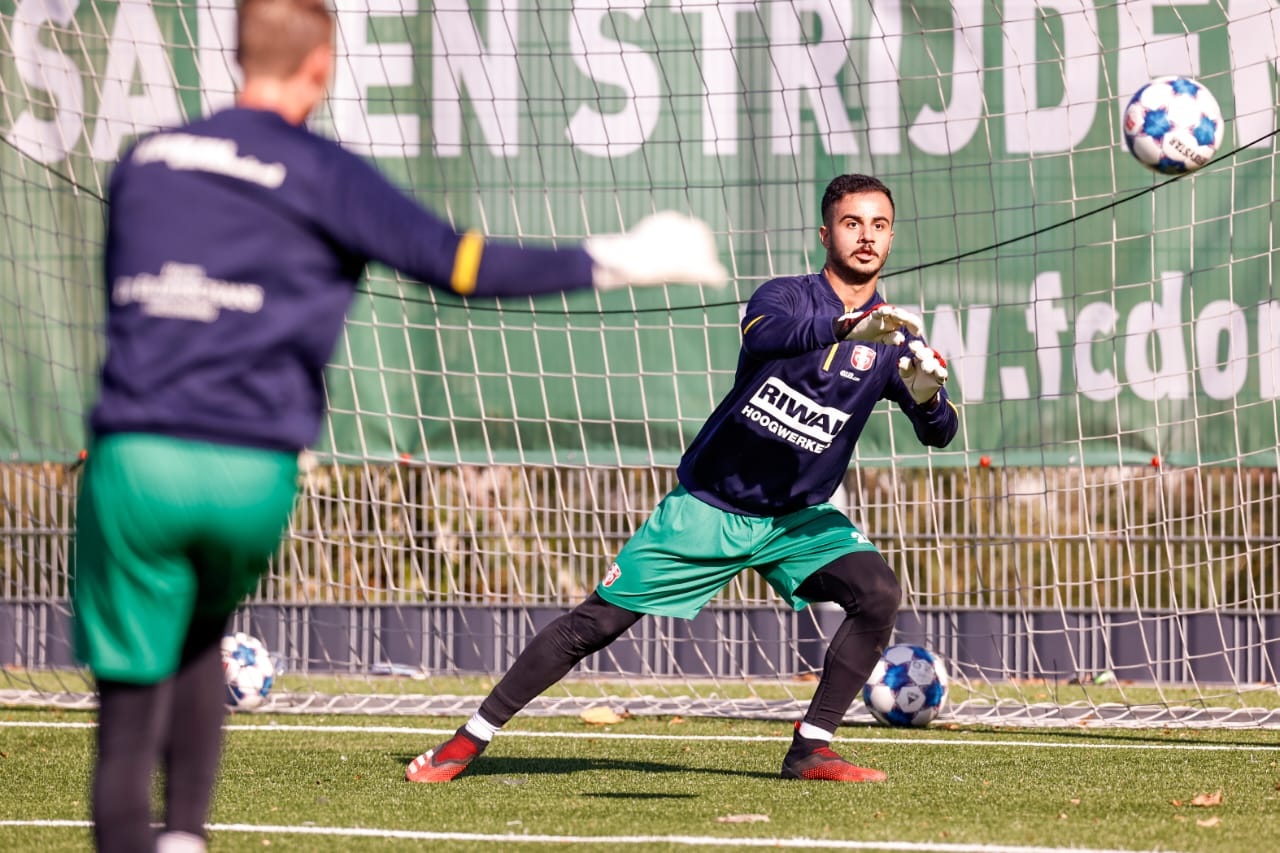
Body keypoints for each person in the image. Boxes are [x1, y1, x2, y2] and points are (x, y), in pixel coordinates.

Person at [70, 0, 726, 849]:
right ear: (321, 65)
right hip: (250, 473)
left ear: (237, 54)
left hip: (138, 457)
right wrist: (613, 259)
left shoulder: (144, 160)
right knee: (202, 640)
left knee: (128, 707)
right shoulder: (322, 171)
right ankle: (187, 835)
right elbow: (461, 265)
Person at [405, 173, 958, 785]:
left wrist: (930, 398)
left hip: (796, 519)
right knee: (597, 624)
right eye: (853, 223)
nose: (866, 237)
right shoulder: (786, 298)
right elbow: (767, 337)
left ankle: (811, 749)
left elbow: (939, 433)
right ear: (826, 233)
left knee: (877, 591)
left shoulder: (897, 334)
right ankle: (467, 741)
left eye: (879, 225)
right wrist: (844, 329)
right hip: (711, 505)